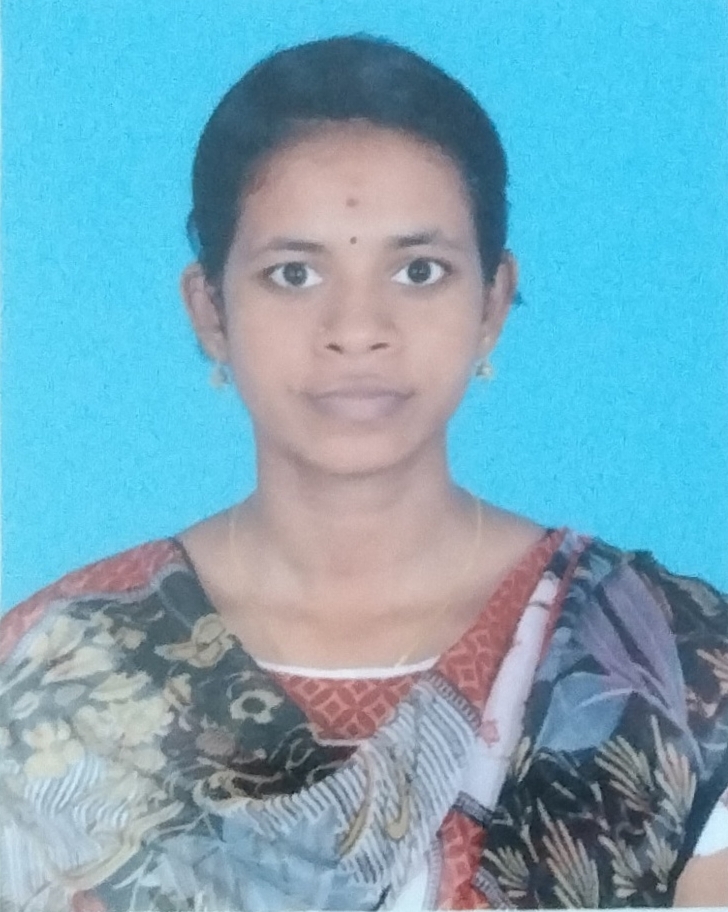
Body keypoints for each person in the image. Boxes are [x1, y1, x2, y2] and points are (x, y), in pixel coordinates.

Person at [1, 34, 726, 911]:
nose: (357, 329)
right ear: (211, 311)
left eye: (419, 271)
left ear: (492, 302)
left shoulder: (672, 672)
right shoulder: (48, 679)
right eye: (294, 273)